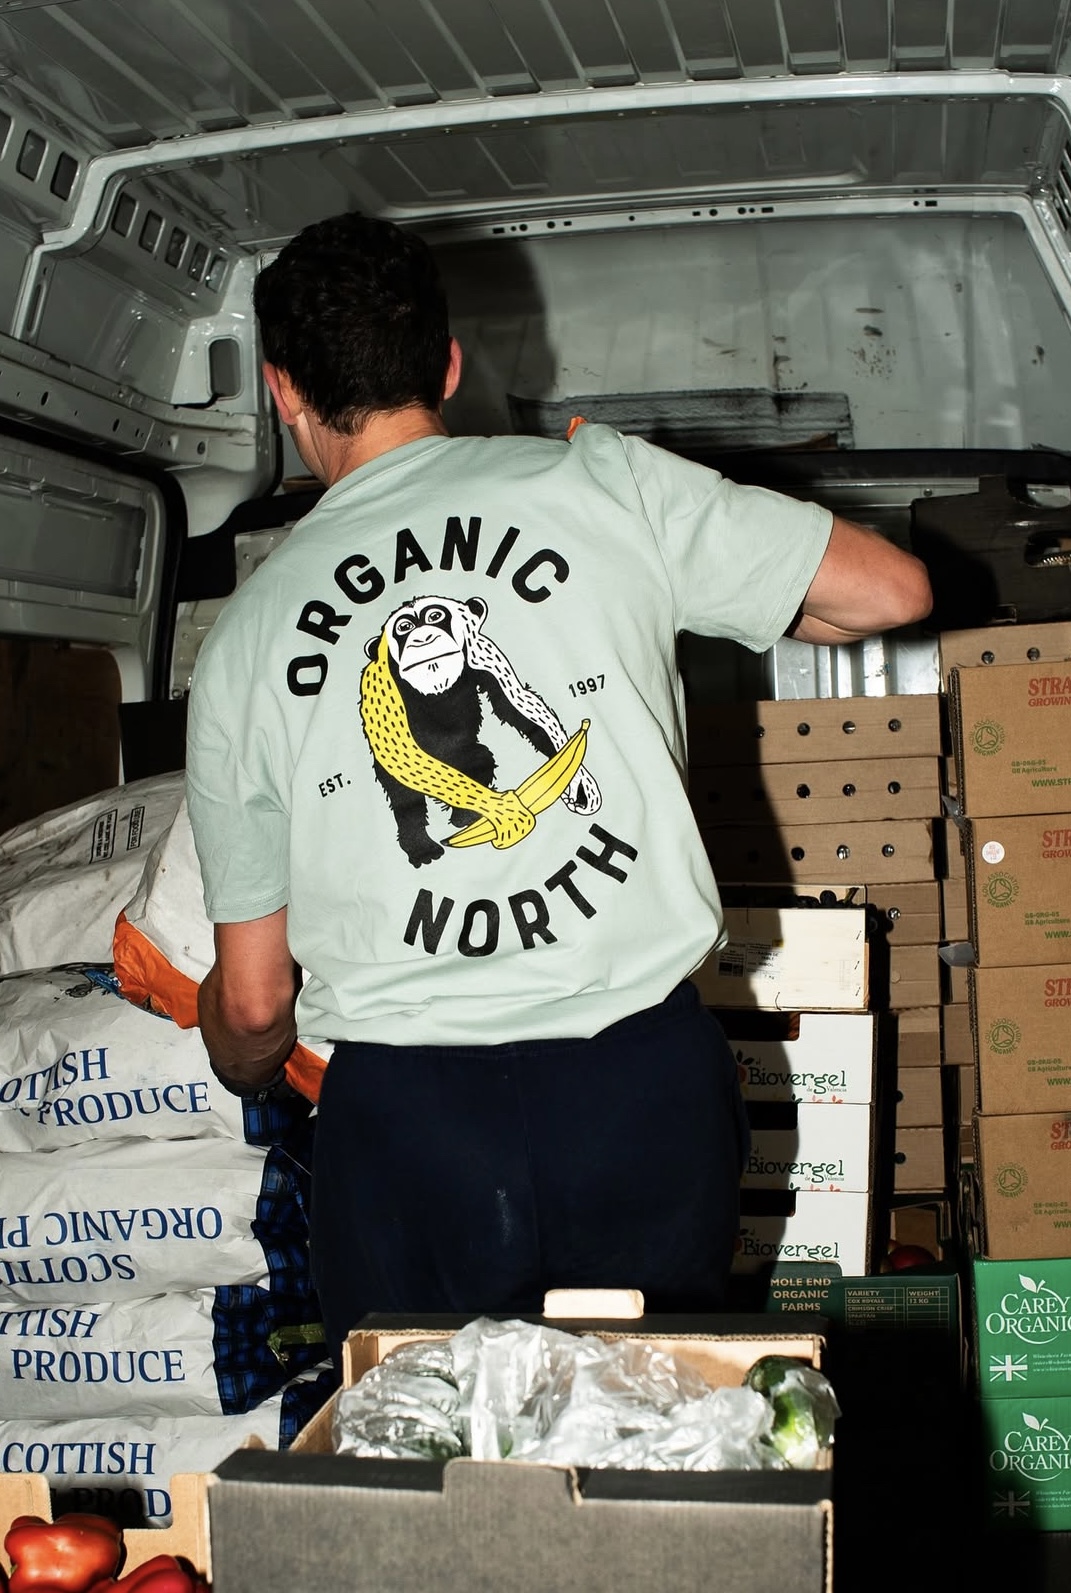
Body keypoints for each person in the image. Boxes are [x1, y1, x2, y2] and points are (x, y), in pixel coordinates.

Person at [185, 211, 932, 1352]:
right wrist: (667, 534)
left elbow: (251, 1004)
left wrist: (238, 1061)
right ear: (447, 366)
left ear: (282, 391)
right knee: (647, 1430)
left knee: (423, 1444)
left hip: (408, 1131)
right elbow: (889, 594)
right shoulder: (604, 485)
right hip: (638, 1095)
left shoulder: (244, 640)